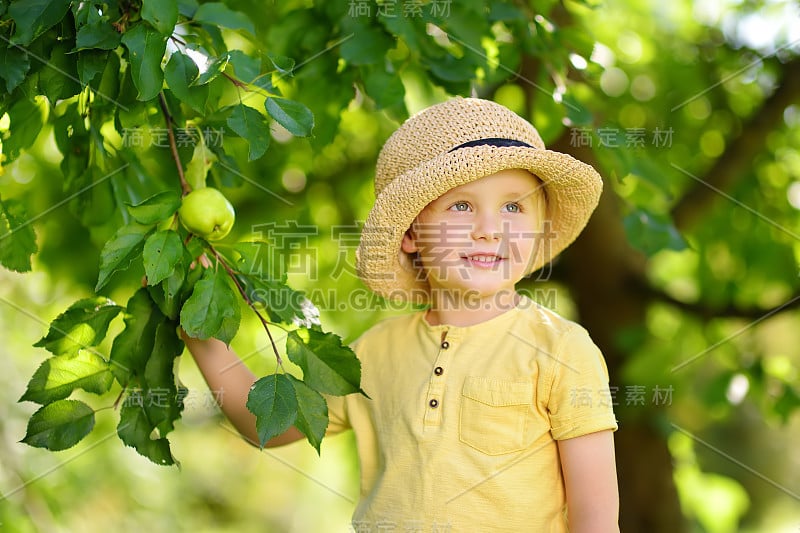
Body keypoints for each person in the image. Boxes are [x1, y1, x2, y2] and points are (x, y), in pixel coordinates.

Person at [184, 97, 619, 532]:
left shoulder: (560, 350)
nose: (490, 228)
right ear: (411, 233)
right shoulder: (374, 353)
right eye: (462, 206)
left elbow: (596, 521)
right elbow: (270, 423)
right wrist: (199, 328)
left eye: (513, 207)